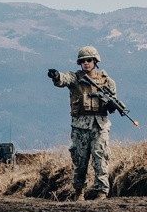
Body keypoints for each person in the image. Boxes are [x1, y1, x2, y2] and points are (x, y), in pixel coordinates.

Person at [47, 46, 118, 201]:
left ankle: (101, 192)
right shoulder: (75, 78)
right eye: (83, 61)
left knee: (101, 158)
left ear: (95, 61)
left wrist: (111, 107)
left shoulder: (107, 81)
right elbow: (63, 80)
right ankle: (79, 192)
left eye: (89, 60)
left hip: (100, 125)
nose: (86, 63)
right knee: (80, 160)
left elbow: (112, 102)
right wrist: (56, 76)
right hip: (80, 126)